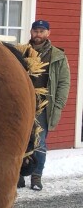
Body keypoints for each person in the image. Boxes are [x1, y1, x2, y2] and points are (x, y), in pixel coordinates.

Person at [17, 19, 71, 191]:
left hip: (43, 106)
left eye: (41, 31)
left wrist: (58, 106)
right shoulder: (22, 53)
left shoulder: (57, 56)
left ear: (48, 33)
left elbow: (64, 82)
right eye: (35, 31)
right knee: (20, 140)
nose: (38, 34)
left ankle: (36, 177)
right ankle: (18, 176)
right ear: (31, 32)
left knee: (39, 142)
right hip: (23, 103)